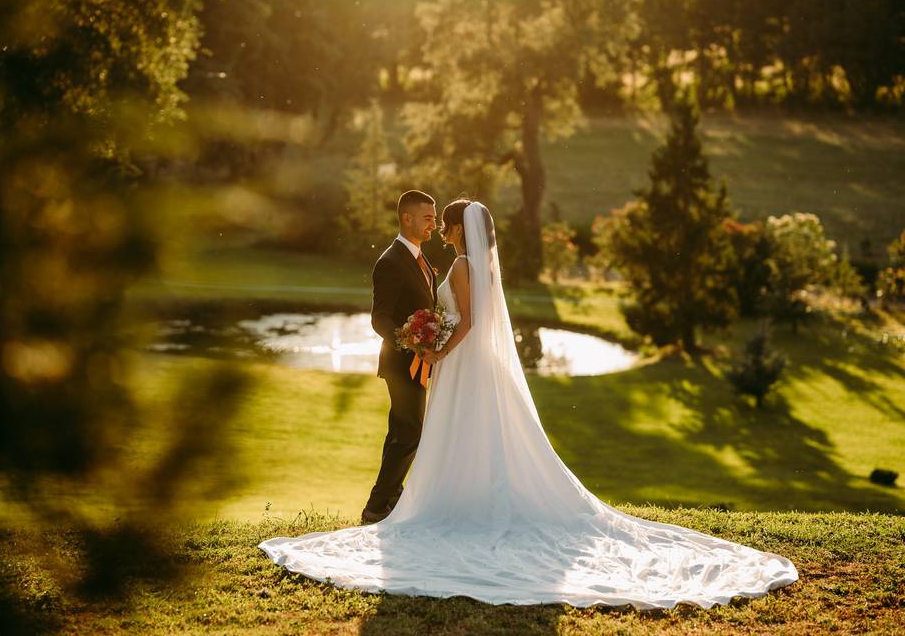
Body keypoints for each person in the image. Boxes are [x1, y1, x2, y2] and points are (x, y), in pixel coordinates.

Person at [259, 200, 799, 609]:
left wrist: (438, 347)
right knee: (447, 435)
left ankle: (427, 504)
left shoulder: (462, 267)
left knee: (442, 435)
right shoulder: (470, 266)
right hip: (457, 364)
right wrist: (427, 342)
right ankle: (419, 500)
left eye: (442, 224)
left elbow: (465, 322)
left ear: (455, 227)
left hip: (458, 362)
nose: (439, 232)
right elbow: (447, 317)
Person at [361, 190, 438, 524]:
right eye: (428, 218)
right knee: (409, 432)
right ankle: (377, 505)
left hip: (415, 363)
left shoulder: (419, 259)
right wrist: (414, 345)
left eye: (434, 219)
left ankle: (389, 497)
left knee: (401, 431)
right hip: (401, 363)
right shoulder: (391, 261)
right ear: (407, 218)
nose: (434, 225)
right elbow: (380, 318)